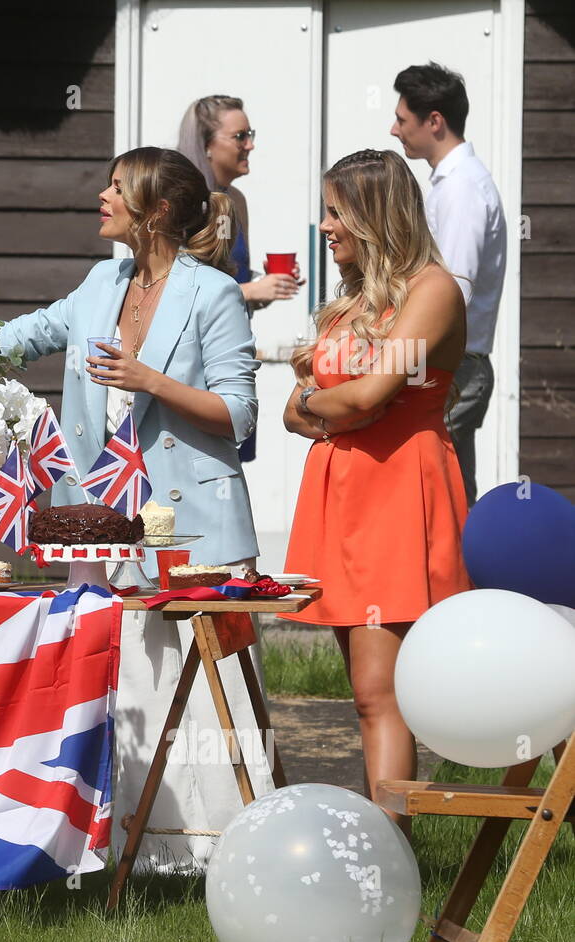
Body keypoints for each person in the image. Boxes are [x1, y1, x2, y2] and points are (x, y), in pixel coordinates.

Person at [0, 147, 273, 873]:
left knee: (194, 693)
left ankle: (217, 853)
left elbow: (239, 414)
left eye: (116, 186)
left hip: (193, 527)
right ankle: (118, 838)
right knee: (119, 682)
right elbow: (8, 341)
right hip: (97, 524)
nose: (101, 195)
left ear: (157, 210)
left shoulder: (215, 294)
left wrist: (147, 379)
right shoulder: (102, 282)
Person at [281, 149, 471, 832]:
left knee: (379, 691)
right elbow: (292, 412)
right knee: (364, 695)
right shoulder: (352, 301)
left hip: (398, 491)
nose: (325, 225)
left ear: (374, 214)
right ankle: (379, 843)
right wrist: (331, 402)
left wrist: (325, 397)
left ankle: (385, 855)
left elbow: (373, 391)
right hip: (342, 491)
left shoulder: (433, 289)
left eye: (336, 211)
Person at [391, 62, 505, 505]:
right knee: (445, 488)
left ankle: (463, 576)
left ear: (433, 120)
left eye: (402, 119)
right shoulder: (451, 182)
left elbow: (453, 290)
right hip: (448, 360)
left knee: (446, 493)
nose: (394, 128)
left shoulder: (462, 188)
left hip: (453, 363)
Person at [178, 94, 301, 462]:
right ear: (206, 145)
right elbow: (177, 288)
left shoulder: (236, 202)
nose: (250, 144)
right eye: (240, 136)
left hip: (232, 355)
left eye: (251, 134)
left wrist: (265, 290)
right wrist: (250, 290)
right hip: (193, 362)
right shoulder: (186, 205)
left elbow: (226, 281)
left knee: (228, 463)